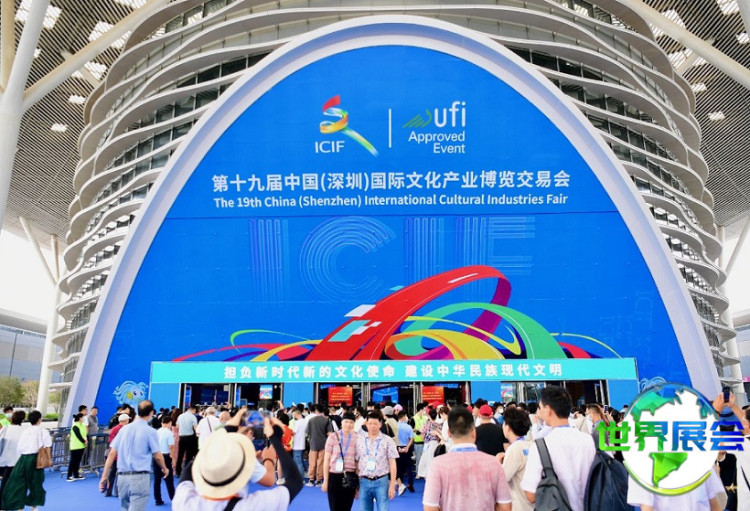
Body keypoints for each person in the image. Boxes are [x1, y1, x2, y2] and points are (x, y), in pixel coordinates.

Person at [172, 416, 303, 510]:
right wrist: (274, 442)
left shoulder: (184, 502)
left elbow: (192, 466)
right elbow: (295, 481)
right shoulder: (250, 506)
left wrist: (227, 431)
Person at [520, 386, 596, 511]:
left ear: (548, 410)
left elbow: (530, 494)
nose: (539, 412)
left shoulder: (540, 445)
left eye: (540, 407)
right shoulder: (589, 440)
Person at [423, 407, 512, 511]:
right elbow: (505, 506)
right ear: (474, 432)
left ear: (449, 433)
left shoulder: (437, 465)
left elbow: (430, 507)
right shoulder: (494, 463)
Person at [99, 400, 170, 511]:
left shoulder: (124, 429)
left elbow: (112, 453)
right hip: (140, 477)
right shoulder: (150, 431)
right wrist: (164, 468)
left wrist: (104, 476)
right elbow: (157, 455)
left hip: (122, 478)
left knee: (125, 508)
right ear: (151, 412)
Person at [1, 410, 52, 510]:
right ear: (39, 420)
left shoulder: (25, 431)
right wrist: (49, 459)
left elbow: (20, 447)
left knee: (19, 482)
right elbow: (47, 446)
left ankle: (18, 506)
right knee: (36, 482)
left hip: (23, 459)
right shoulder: (43, 431)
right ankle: (34, 507)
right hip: (35, 459)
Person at [356, 411, 399, 511]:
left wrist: (392, 485)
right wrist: (356, 485)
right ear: (366, 424)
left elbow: (392, 463)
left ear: (380, 424)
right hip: (363, 482)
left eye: (375, 424)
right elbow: (356, 461)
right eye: (370, 423)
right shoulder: (360, 440)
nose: (372, 426)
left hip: (381, 482)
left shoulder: (388, 440)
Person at [497, 407, 533, 511]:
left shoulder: (514, 448)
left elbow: (503, 478)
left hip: (519, 505)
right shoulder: (530, 444)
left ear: (508, 427)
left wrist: (497, 462)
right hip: (531, 504)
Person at [322, 412, 358, 511]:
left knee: (347, 507)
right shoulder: (333, 436)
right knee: (335, 507)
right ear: (341, 422)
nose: (348, 424)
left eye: (351, 422)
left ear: (354, 424)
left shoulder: (357, 438)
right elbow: (326, 459)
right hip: (334, 476)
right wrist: (325, 481)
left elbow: (357, 462)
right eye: (346, 422)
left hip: (350, 476)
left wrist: (357, 485)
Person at [0, 410, 26, 504]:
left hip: (5, 459)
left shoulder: (6, 428)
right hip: (19, 460)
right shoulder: (24, 431)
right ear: (22, 420)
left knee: (5, 481)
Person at [306, 404, 332, 487]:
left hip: (313, 444)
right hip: (323, 444)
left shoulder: (311, 420)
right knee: (321, 463)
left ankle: (311, 479)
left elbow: (307, 432)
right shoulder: (327, 420)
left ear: (316, 410)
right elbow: (329, 433)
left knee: (312, 462)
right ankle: (319, 480)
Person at [106, 413, 131, 497]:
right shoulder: (125, 430)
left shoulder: (114, 429)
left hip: (114, 456)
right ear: (126, 420)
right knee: (120, 475)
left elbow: (111, 442)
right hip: (121, 456)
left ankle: (108, 491)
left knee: (112, 474)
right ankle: (118, 492)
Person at [154, 415, 177, 506]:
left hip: (156, 456)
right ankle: (173, 498)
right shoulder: (169, 433)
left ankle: (158, 500)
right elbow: (171, 447)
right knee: (169, 479)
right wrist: (173, 459)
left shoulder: (156, 432)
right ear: (170, 423)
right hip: (166, 457)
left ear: (161, 423)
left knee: (157, 480)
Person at [416, 409, 441, 479]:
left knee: (427, 462)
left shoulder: (427, 424)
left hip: (428, 444)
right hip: (436, 444)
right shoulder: (439, 425)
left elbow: (422, 435)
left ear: (429, 416)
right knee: (434, 461)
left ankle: (429, 479)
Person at [175, 405, 199, 477]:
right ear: (193, 410)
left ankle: (178, 472)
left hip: (181, 437)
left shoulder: (180, 416)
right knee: (189, 456)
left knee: (180, 455)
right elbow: (196, 428)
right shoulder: (193, 417)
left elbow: (177, 426)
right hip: (190, 438)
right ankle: (186, 473)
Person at [395, 411, 414, 495]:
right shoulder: (408, 427)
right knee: (409, 467)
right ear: (403, 417)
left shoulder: (395, 426)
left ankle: (400, 484)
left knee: (398, 467)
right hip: (406, 448)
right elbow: (411, 438)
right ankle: (410, 484)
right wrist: (408, 447)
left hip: (397, 448)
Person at [67, 412, 88, 481]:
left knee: (78, 461)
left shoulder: (82, 426)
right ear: (80, 418)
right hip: (75, 446)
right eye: (83, 417)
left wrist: (86, 440)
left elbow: (84, 434)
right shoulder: (75, 426)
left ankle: (76, 475)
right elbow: (78, 435)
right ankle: (69, 475)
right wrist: (84, 441)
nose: (84, 419)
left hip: (81, 446)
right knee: (73, 461)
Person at [291, 407, 308, 481]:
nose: (293, 416)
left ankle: (300, 478)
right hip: (302, 443)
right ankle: (303, 476)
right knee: (300, 461)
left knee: (298, 462)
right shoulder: (305, 421)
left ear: (296, 414)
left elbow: (293, 432)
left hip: (297, 444)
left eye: (294, 415)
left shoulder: (297, 422)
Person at [412, 403, 428, 472]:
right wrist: (417, 429)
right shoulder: (414, 418)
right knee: (418, 458)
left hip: (426, 441)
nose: (425, 410)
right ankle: (418, 473)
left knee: (426, 458)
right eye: (424, 409)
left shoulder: (426, 418)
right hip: (418, 441)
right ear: (420, 410)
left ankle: (425, 473)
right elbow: (411, 429)